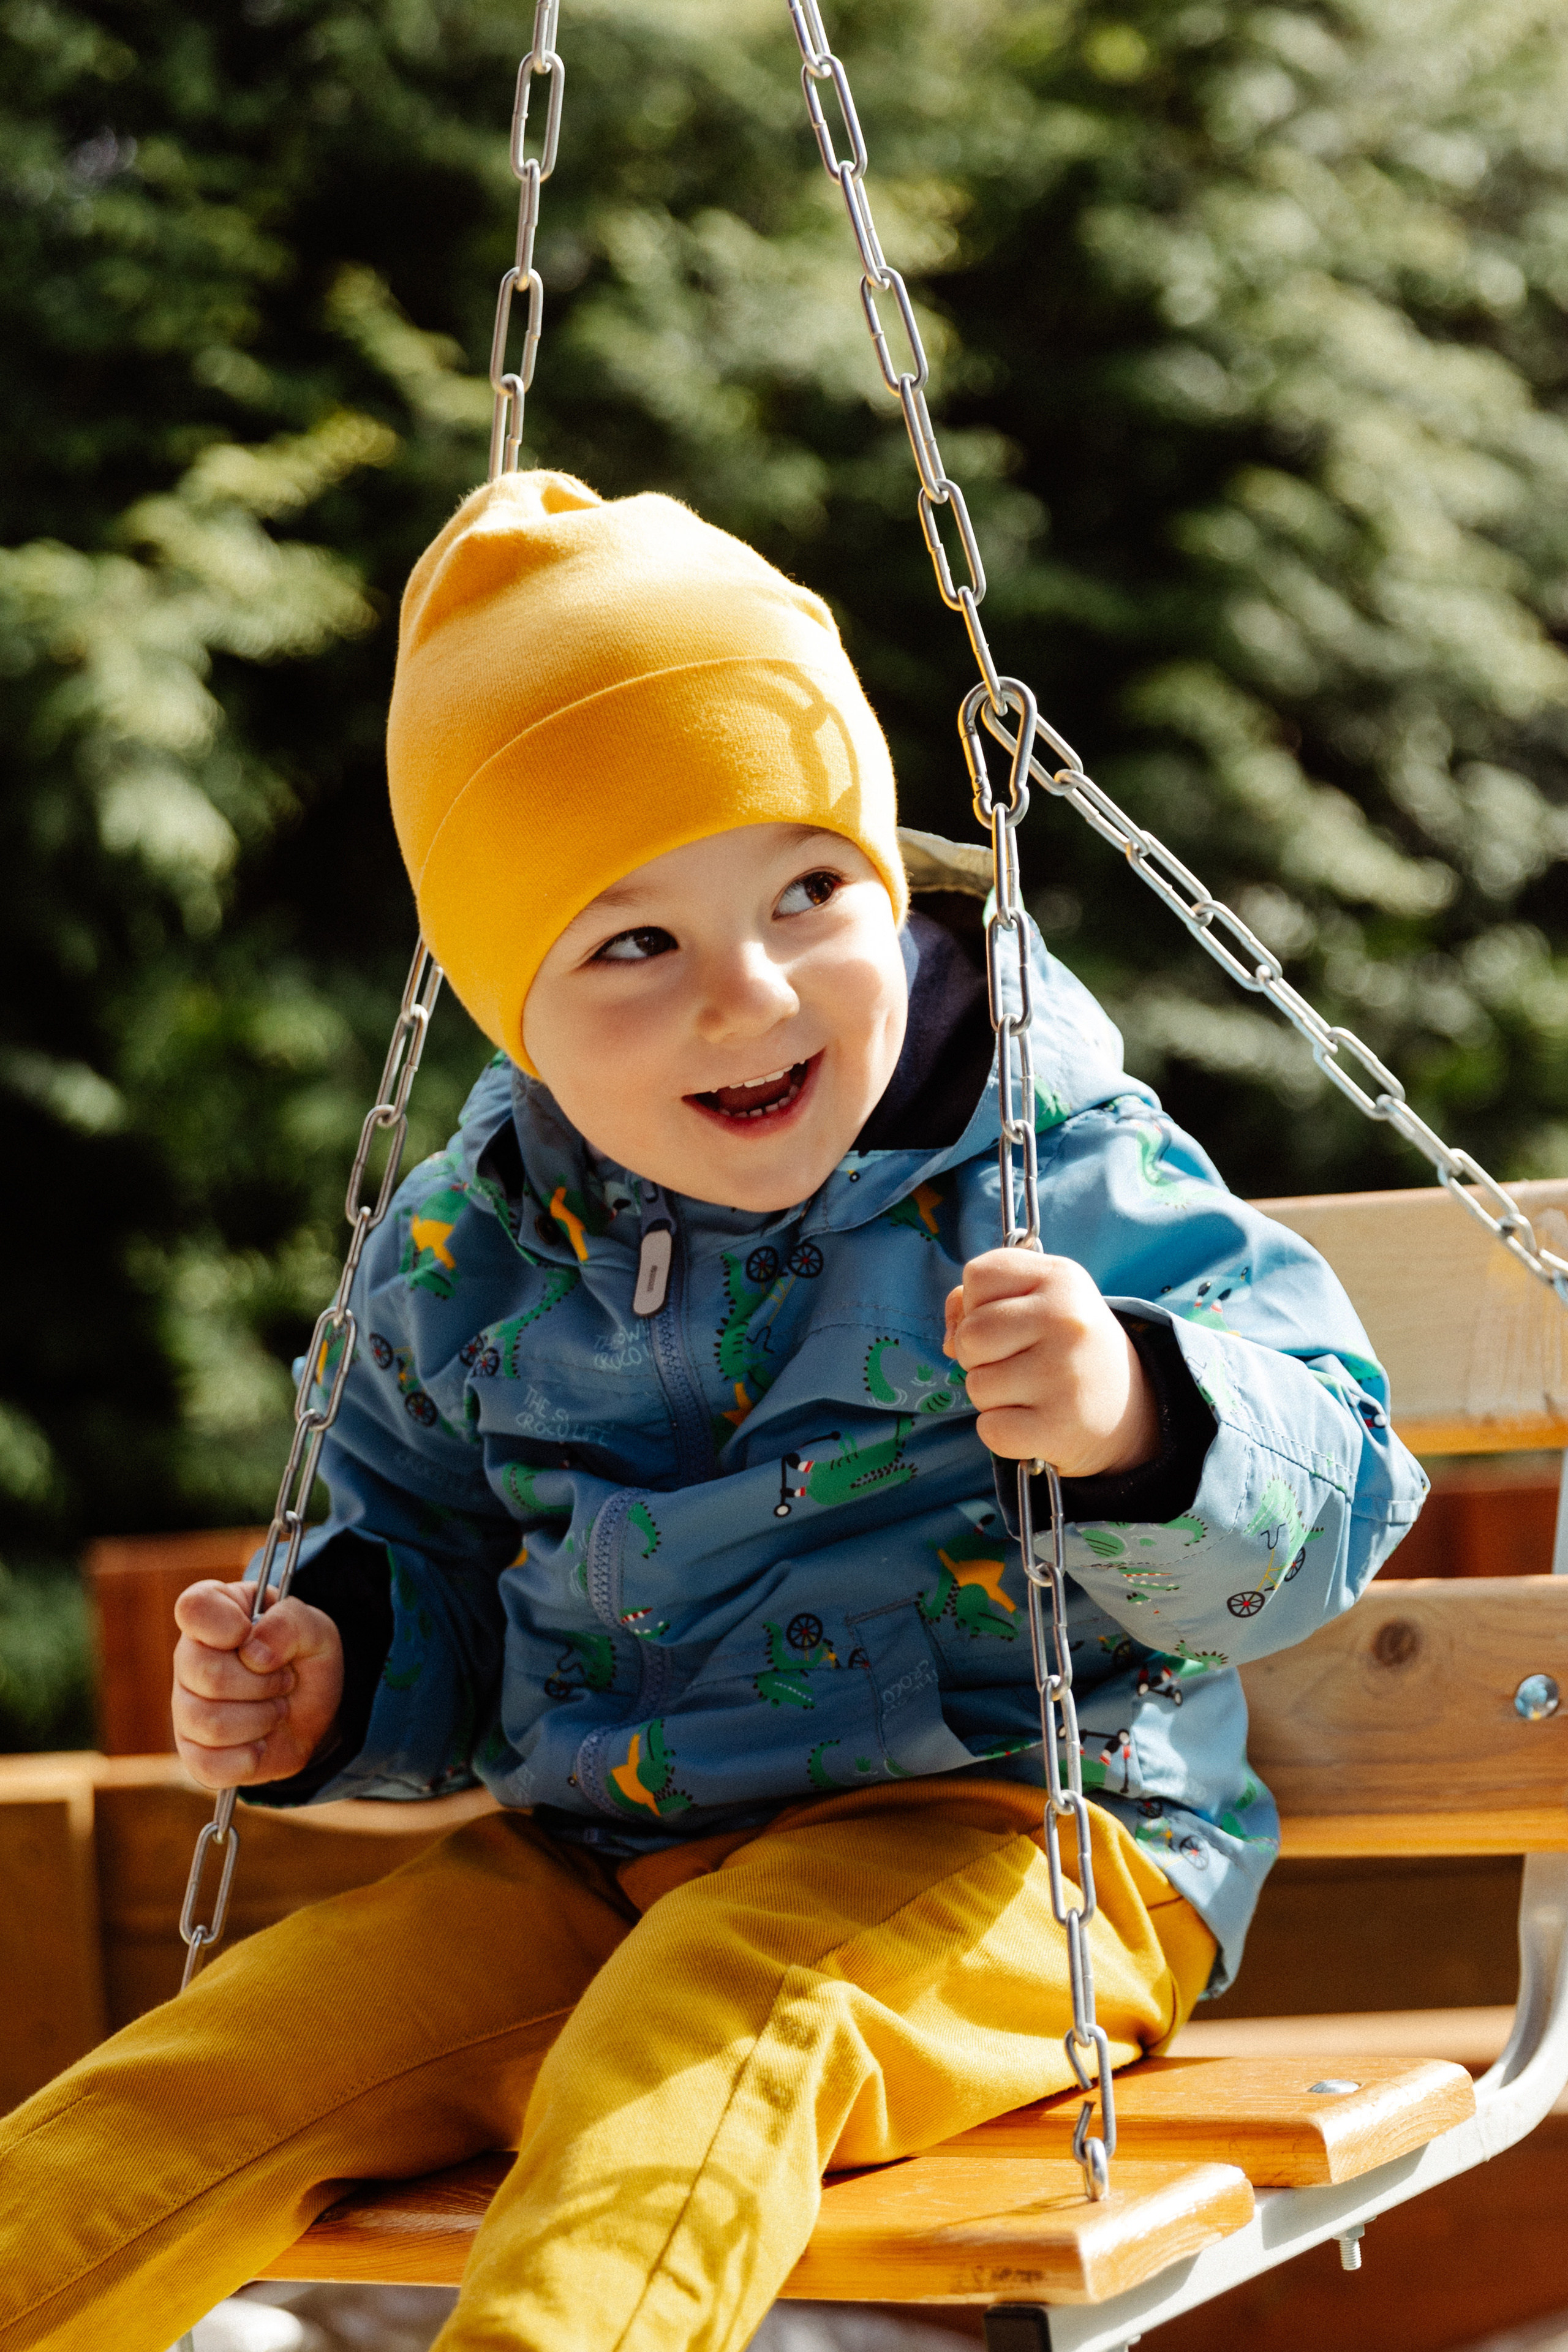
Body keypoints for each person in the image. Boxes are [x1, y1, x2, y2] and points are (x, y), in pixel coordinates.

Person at [0, 472, 1427, 2352]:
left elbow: (1347, 1471)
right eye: (633, 945)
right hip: (592, 1860)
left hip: (1019, 1846)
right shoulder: (463, 1257)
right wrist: (332, 1668)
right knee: (209, 2071)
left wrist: (1136, 1415)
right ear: (515, 1010)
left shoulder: (1034, 1154)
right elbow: (417, 1557)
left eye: (807, 889)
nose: (748, 994)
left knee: (705, 2047)